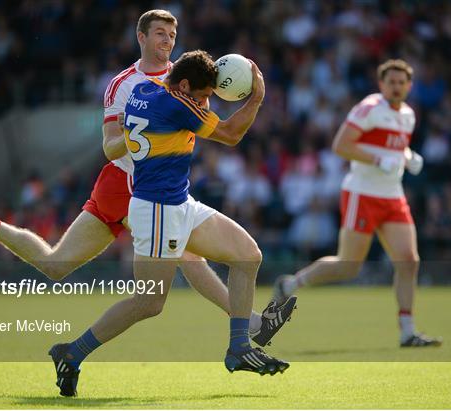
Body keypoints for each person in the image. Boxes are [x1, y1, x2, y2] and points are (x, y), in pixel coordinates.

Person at [0, 10, 295, 395]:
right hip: (128, 185)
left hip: (164, 189)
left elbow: (191, 113)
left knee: (190, 259)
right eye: (159, 33)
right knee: (155, 282)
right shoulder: (127, 85)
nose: (167, 40)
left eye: (172, 34)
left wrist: (157, 132)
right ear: (140, 37)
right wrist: (145, 141)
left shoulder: (174, 82)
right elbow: (111, 145)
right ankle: (244, 329)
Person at [47, 50, 290, 397]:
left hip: (178, 202)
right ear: (186, 85)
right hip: (158, 209)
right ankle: (71, 352)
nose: (206, 102)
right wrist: (256, 99)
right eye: (204, 96)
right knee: (149, 302)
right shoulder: (178, 104)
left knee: (247, 255)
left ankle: (239, 347)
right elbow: (231, 134)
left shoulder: (144, 92)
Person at [274, 59, 442, 348]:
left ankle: (407, 331)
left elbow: (392, 147)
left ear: (409, 86)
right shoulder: (369, 108)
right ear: (381, 84)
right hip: (362, 193)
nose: (397, 86)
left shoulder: (408, 115)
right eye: (391, 81)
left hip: (393, 196)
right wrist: (380, 159)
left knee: (409, 261)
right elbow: (342, 145)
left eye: (402, 82)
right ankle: (289, 284)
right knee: (348, 266)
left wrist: (407, 156)